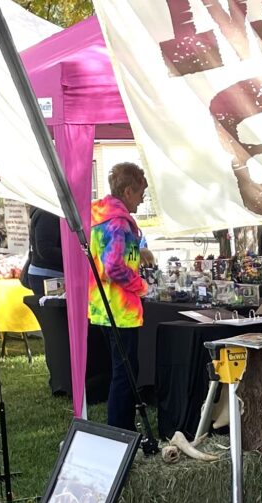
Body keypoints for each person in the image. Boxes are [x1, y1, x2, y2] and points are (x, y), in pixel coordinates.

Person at [88, 162, 149, 431]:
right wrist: (140, 285)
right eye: (140, 195)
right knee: (125, 374)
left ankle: (122, 428)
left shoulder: (100, 216)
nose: (142, 200)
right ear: (127, 191)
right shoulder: (118, 222)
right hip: (119, 309)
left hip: (102, 305)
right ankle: (121, 430)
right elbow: (113, 267)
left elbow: (112, 258)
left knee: (122, 372)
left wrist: (138, 254)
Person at [26, 209, 64, 298]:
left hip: (50, 275)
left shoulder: (48, 212)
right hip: (48, 277)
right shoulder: (48, 214)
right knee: (55, 310)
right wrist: (73, 257)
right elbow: (45, 250)